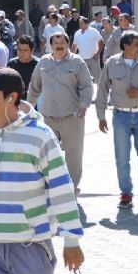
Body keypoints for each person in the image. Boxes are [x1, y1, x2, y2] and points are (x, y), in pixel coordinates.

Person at [0, 67, 84, 274]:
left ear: (11, 97)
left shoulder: (40, 136)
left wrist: (72, 240)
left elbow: (62, 190)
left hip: (31, 246)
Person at [96, 30, 138, 208]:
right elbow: (102, 90)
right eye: (136, 45)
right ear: (125, 46)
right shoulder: (111, 63)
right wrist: (101, 116)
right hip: (120, 116)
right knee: (122, 157)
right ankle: (126, 193)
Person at [28, 32, 93, 193]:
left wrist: (84, 106)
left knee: (73, 155)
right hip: (48, 117)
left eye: (62, 42)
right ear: (51, 45)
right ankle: (51, 184)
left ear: (68, 44)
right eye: (55, 42)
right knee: (47, 154)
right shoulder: (43, 62)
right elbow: (34, 87)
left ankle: (71, 186)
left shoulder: (78, 62)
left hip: (72, 116)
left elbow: (86, 86)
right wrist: (28, 110)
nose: (59, 45)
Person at [71, 16, 104, 82]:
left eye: (82, 23)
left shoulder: (93, 31)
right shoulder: (77, 33)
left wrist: (97, 53)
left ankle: (100, 91)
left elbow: (101, 42)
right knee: (82, 79)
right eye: (79, 23)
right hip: (82, 60)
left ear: (87, 24)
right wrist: (71, 56)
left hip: (93, 59)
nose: (80, 25)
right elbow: (74, 46)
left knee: (98, 78)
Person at [7, 36, 39, 101]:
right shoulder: (12, 64)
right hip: (17, 103)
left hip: (35, 103)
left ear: (32, 50)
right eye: (19, 50)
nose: (22, 53)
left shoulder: (39, 64)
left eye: (25, 50)